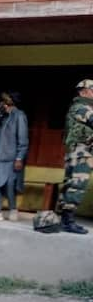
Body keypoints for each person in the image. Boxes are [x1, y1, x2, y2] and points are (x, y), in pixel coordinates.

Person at [0, 92, 29, 221]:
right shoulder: (4, 116)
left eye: (2, 102)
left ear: (8, 102)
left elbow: (23, 139)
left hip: (10, 156)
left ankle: (13, 209)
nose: (0, 104)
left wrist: (20, 157)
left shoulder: (19, 116)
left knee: (9, 185)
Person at [57, 79, 93, 234]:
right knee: (77, 185)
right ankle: (68, 222)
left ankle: (65, 220)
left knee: (71, 184)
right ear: (84, 91)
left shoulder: (79, 107)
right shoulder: (81, 107)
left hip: (78, 152)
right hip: (81, 153)